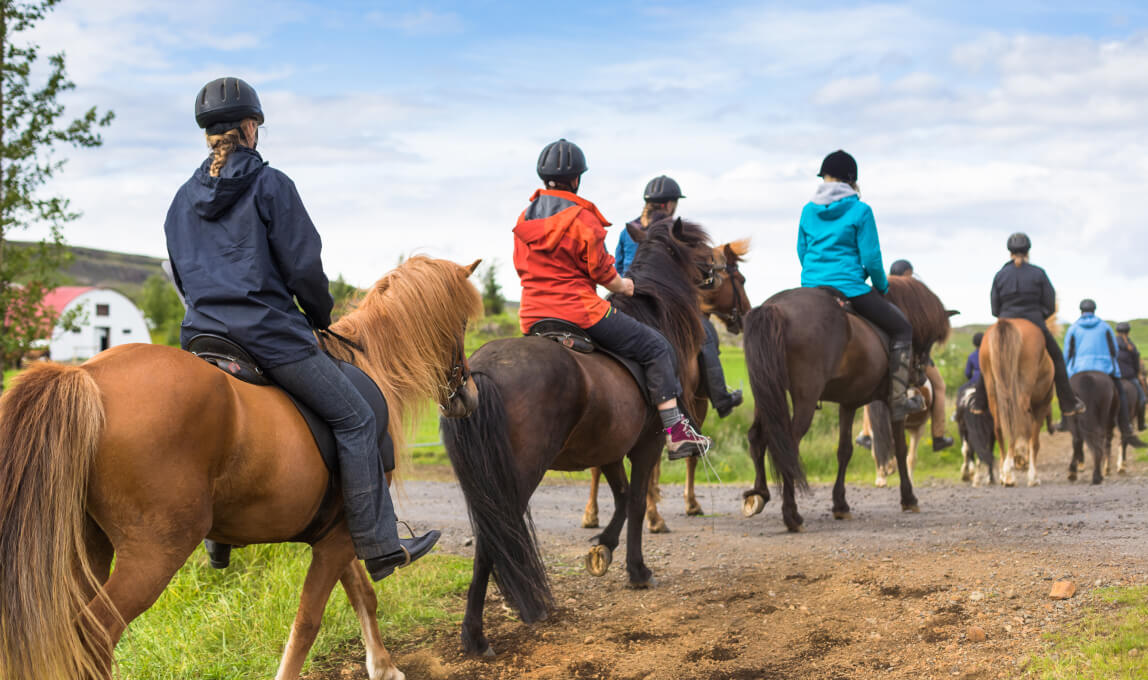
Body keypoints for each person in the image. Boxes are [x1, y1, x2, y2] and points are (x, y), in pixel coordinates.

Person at [164, 77, 438, 581]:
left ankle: (219, 542)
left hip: (202, 339)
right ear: (251, 127)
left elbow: (182, 275)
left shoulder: (181, 200)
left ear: (208, 135)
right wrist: (318, 318)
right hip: (268, 337)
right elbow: (304, 268)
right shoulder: (271, 185)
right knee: (356, 417)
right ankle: (380, 545)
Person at [513, 139, 710, 459]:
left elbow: (520, 267)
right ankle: (676, 432)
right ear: (577, 179)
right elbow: (603, 271)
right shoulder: (583, 218)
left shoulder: (525, 218)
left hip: (533, 315)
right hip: (580, 312)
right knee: (656, 346)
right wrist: (625, 287)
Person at [797, 149, 924, 420]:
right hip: (850, 287)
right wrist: (881, 285)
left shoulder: (808, 211)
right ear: (851, 179)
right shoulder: (860, 210)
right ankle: (899, 399)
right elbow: (872, 259)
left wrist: (814, 278)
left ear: (825, 177)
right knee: (902, 328)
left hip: (811, 288)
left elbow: (802, 251)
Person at [615, 175, 743, 418]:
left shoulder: (628, 230)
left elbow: (619, 266)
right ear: (669, 205)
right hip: (666, 302)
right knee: (706, 335)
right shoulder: (675, 230)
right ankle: (721, 398)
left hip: (628, 299)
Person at [1064, 301, 1146, 448]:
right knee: (1120, 392)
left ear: (1080, 310)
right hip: (1103, 368)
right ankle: (1126, 425)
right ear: (1094, 310)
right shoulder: (1105, 327)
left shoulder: (1073, 328)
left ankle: (1064, 422)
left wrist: (1067, 368)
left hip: (1078, 368)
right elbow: (1113, 350)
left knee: (1065, 393)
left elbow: (1067, 352)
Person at [1115, 322, 1146, 430]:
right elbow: (1136, 361)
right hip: (1129, 377)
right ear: (1128, 332)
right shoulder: (1130, 345)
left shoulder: (1112, 343)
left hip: (1114, 376)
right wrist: (1137, 373)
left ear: (1117, 332)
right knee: (1142, 399)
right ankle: (1141, 424)